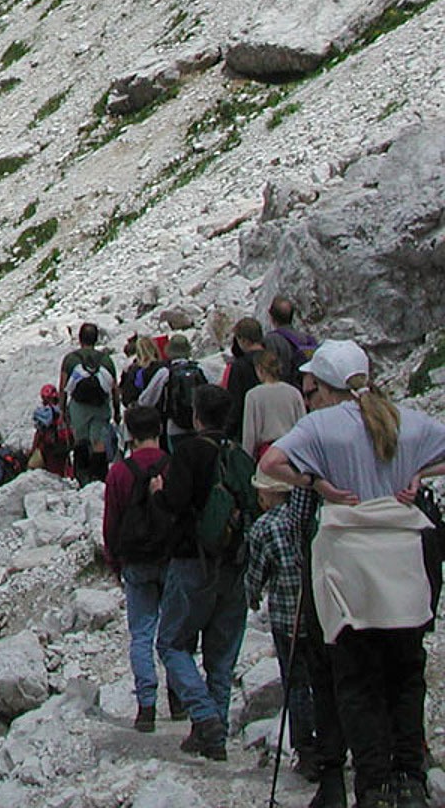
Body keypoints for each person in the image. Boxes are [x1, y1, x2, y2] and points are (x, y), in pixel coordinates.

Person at [261, 341, 445, 808]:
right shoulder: (405, 421)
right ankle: (410, 778)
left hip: (349, 567)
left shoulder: (321, 426)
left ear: (324, 385)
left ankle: (372, 784)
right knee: (406, 673)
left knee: (356, 679)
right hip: (404, 563)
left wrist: (316, 483)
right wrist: (421, 474)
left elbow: (269, 464)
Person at [150, 383, 256, 762]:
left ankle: (205, 716)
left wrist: (158, 491)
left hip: (192, 561)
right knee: (222, 657)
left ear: (196, 416)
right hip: (234, 564)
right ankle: (214, 735)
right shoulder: (239, 455)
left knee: (172, 644)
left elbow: (174, 503)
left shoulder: (188, 452)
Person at [103, 405, 172, 733]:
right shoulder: (173, 465)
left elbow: (111, 522)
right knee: (173, 633)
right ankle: (180, 698)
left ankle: (146, 706)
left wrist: (115, 562)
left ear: (129, 434)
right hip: (171, 557)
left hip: (135, 561)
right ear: (159, 429)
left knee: (142, 633)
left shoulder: (119, 472)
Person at [245, 465, 316, 781]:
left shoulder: (264, 527)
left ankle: (306, 748)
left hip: (286, 616)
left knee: (296, 684)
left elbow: (256, 577)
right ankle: (332, 742)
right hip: (318, 615)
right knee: (323, 681)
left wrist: (251, 598)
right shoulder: (309, 520)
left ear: (268, 494)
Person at [60, 322, 119, 484]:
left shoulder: (71, 359)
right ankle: (99, 477)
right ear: (96, 339)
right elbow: (114, 388)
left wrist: (62, 410)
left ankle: (82, 477)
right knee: (98, 441)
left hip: (79, 407)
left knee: (81, 440)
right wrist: (117, 410)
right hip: (100, 405)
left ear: (80, 339)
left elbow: (63, 387)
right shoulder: (105, 360)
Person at [139, 332, 207, 449]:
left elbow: (145, 400)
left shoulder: (165, 372)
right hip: (199, 424)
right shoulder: (200, 368)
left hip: (175, 427)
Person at [241, 348, 305, 462]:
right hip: (291, 451)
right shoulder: (294, 392)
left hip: (267, 454)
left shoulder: (253, 395)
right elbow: (302, 426)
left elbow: (250, 434)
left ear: (260, 369)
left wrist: (247, 459)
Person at [222, 316, 265, 436]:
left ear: (244, 340)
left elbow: (235, 403)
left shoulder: (239, 366)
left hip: (248, 427)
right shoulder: (273, 359)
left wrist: (228, 433)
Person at [30, 384, 75, 479]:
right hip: (64, 443)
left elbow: (40, 431)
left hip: (51, 446)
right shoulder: (64, 410)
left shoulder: (46, 412)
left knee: (52, 471)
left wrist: (33, 449)